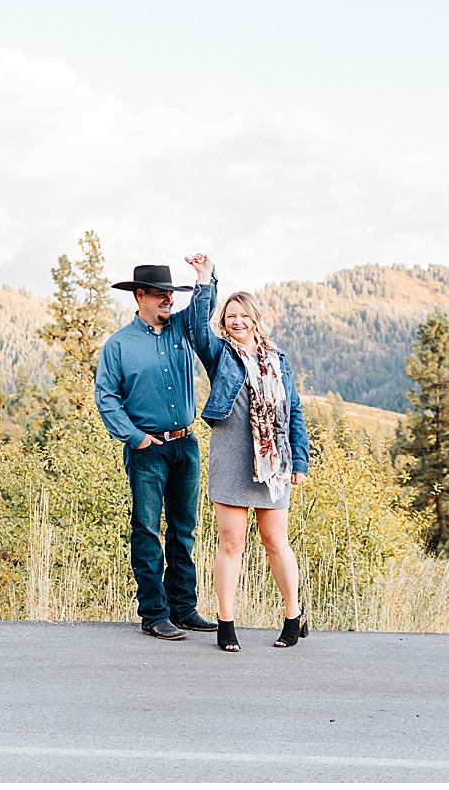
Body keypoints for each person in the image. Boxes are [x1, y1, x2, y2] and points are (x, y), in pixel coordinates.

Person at [95, 256, 219, 640]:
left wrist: (204, 278)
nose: (169, 300)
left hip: (187, 445)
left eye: (171, 294)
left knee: (185, 530)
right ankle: (153, 614)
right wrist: (136, 438)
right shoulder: (118, 346)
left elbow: (203, 309)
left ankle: (183, 608)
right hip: (147, 450)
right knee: (147, 530)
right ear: (140, 296)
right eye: (162, 294)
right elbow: (106, 398)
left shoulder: (182, 329)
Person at [188, 279, 310, 652]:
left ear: (256, 319)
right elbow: (196, 325)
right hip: (231, 457)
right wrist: (204, 280)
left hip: (273, 461)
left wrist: (300, 459)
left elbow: (294, 411)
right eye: (230, 316)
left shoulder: (279, 360)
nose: (237, 321)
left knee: (275, 541)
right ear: (224, 322)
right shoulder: (219, 353)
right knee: (231, 542)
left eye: (243, 315)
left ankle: (294, 615)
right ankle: (226, 622)